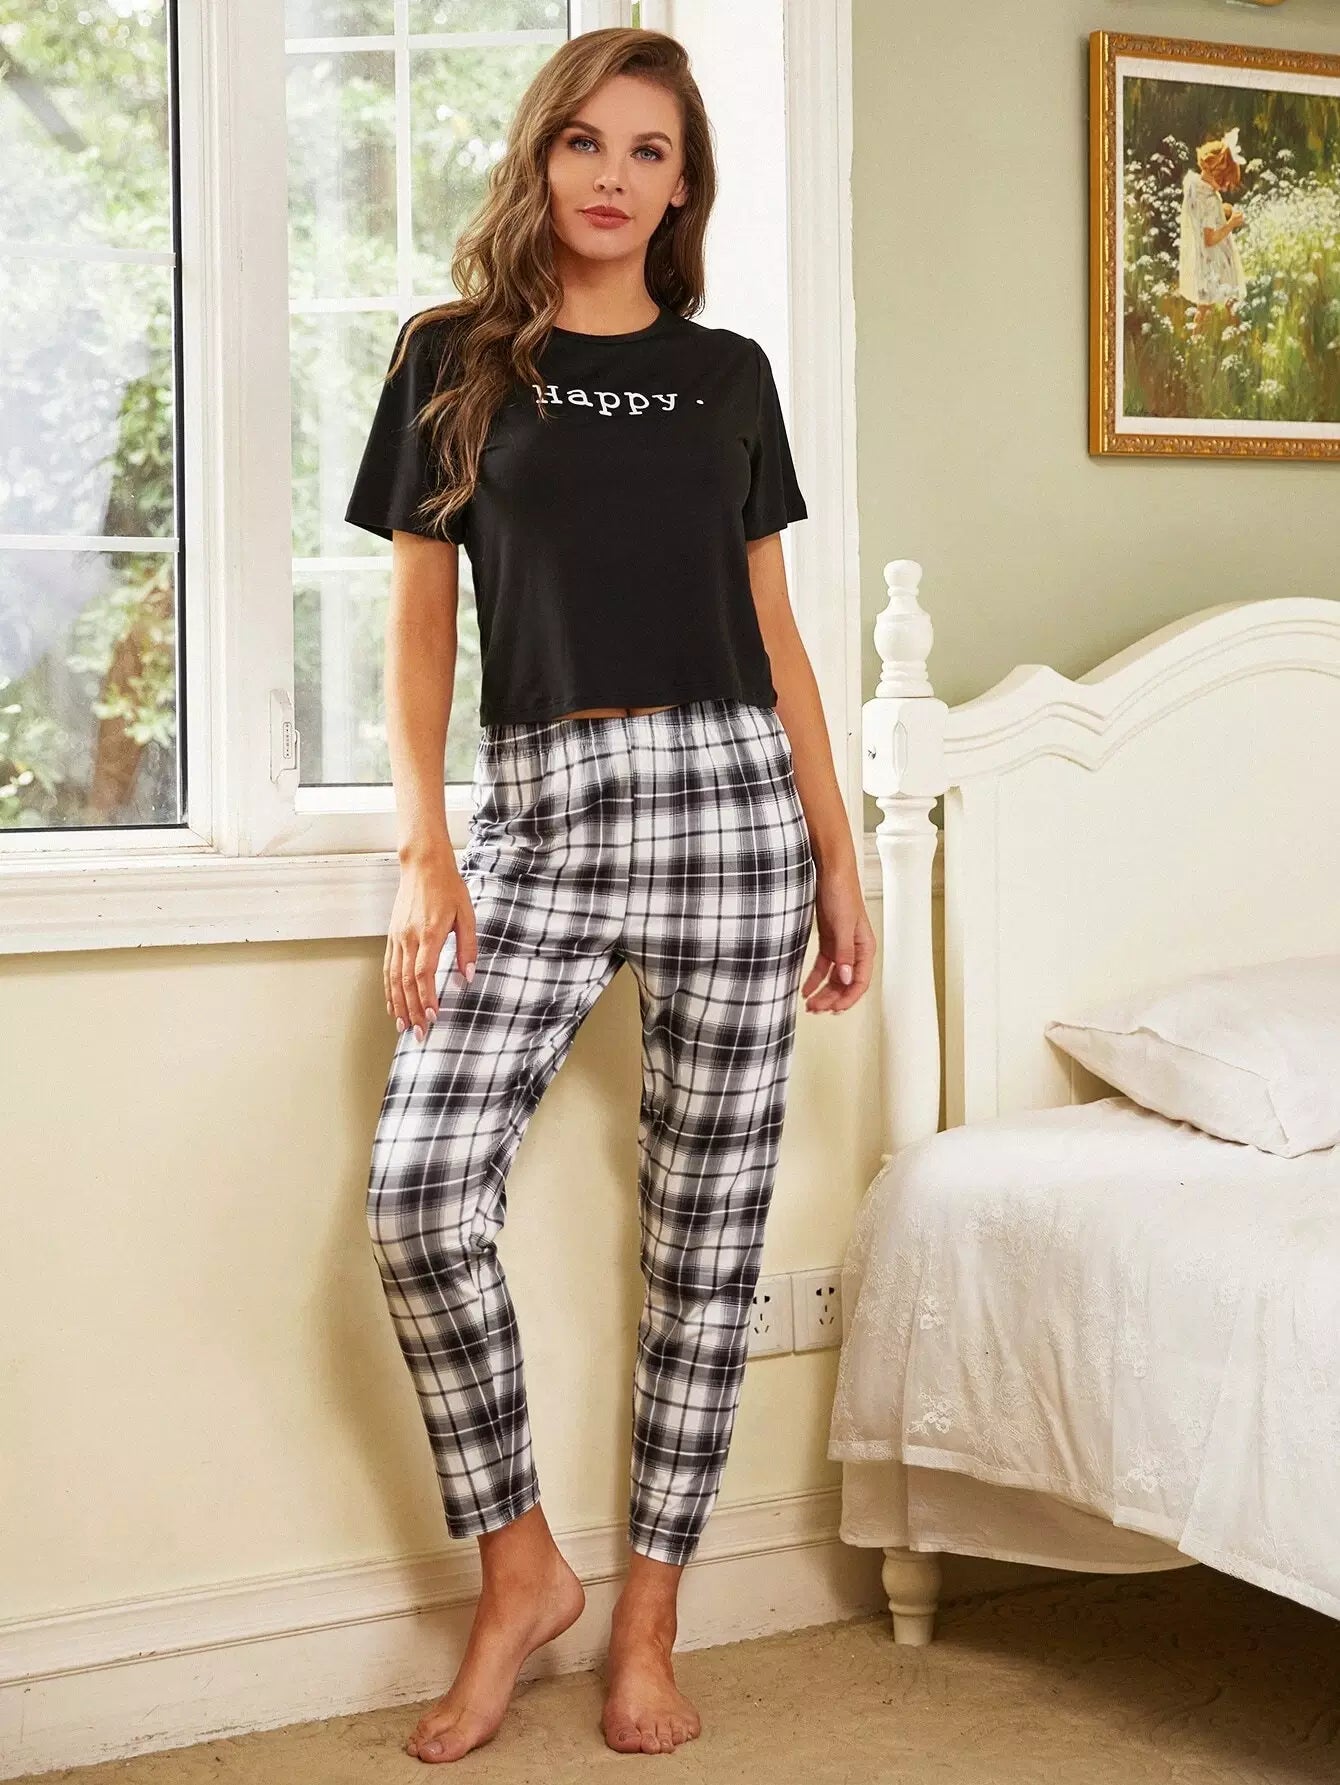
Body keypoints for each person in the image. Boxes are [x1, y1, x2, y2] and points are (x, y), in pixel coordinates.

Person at [343, 24, 874, 1767]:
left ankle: (652, 1616)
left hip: (733, 807)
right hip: (543, 809)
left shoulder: (728, 374)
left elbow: (775, 632)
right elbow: (422, 626)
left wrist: (839, 851)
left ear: (683, 184)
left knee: (706, 1239)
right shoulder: (450, 359)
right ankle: (522, 1572)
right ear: (540, 155)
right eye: (585, 141)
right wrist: (424, 845)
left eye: (651, 151)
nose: (612, 177)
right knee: (422, 1196)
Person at [1177, 126, 1248, 322]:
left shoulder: (1194, 185)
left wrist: (1221, 211)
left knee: (1204, 306)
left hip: (1202, 260)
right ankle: (1237, 333)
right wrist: (1231, 223)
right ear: (1218, 174)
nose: (1225, 188)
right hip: (1215, 260)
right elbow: (1209, 238)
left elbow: (1201, 219)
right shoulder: (1209, 199)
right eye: (1226, 182)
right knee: (1228, 301)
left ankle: (1198, 337)